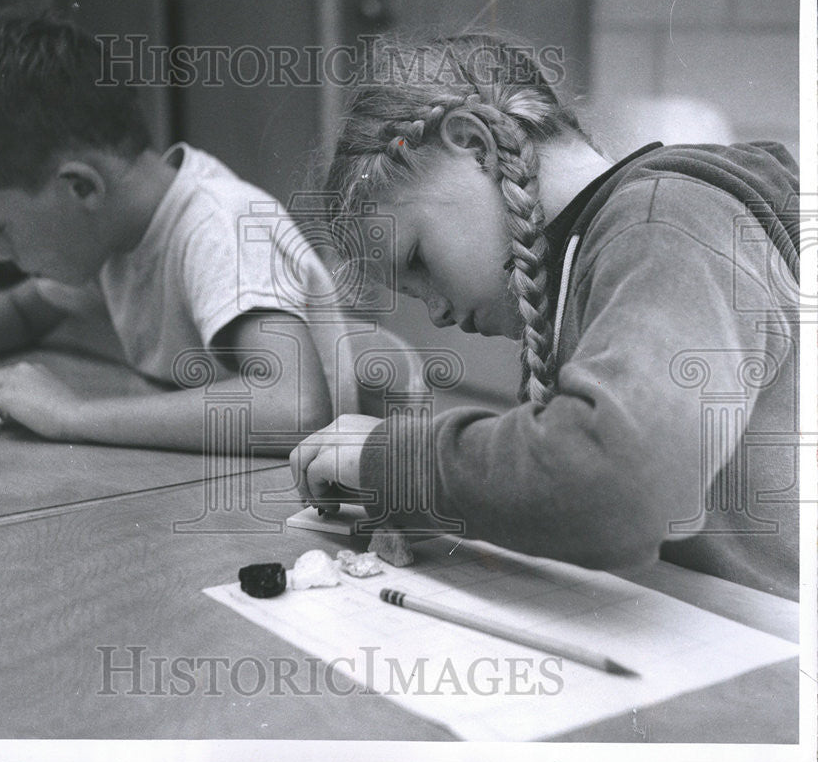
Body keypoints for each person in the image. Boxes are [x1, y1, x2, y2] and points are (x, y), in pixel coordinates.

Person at [292, 34, 800, 599]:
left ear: (474, 143)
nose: (435, 312)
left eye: (419, 260)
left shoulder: (665, 224)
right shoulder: (585, 256)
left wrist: (395, 462)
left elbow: (623, 486)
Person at [0, 10, 358, 453]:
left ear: (81, 187)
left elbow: (294, 408)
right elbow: (23, 310)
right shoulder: (115, 235)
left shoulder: (219, 226)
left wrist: (71, 414)